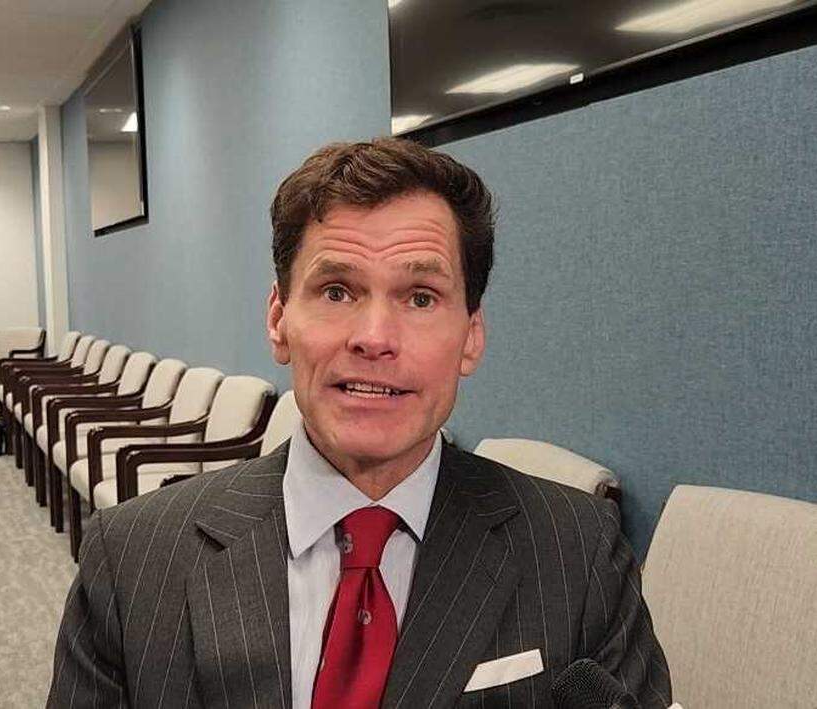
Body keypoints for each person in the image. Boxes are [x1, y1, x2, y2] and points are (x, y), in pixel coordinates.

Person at [47, 138, 671, 708]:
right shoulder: (131, 559)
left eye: (420, 297)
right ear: (278, 318)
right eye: (338, 291)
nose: (374, 339)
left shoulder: (578, 550)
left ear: (471, 336)